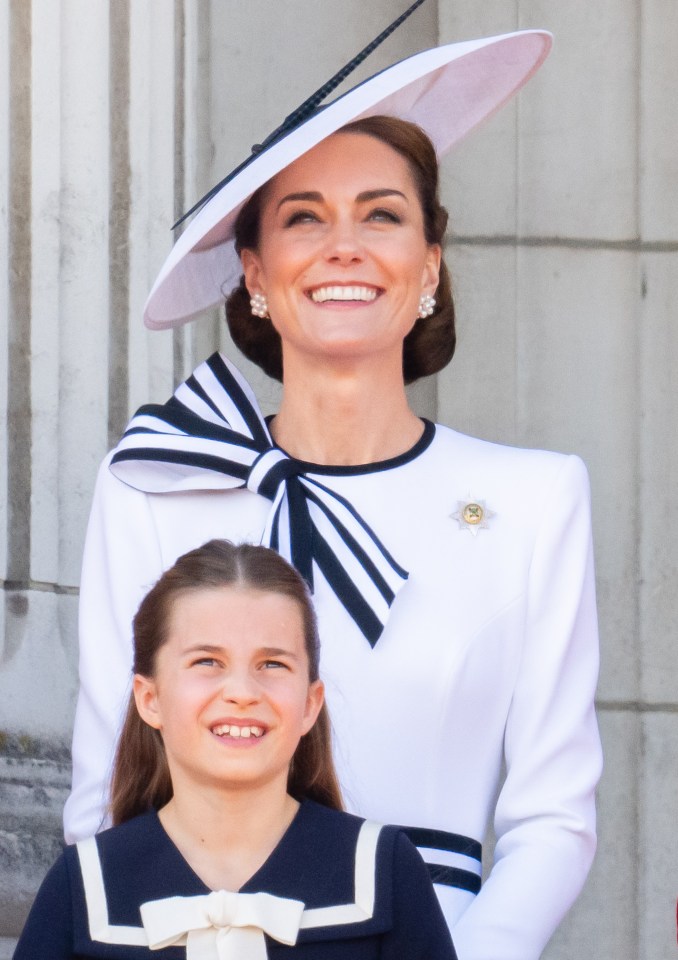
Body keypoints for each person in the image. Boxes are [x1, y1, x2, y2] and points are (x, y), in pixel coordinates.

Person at [64, 25, 602, 960]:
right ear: (256, 273)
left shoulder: (534, 500)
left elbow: (554, 819)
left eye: (382, 214)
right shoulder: (155, 485)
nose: (344, 246)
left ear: (429, 261)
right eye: (305, 217)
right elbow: (101, 794)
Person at [16, 540, 456, 959]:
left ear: (309, 704)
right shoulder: (85, 886)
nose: (243, 692)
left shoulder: (383, 873)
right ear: (150, 699)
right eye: (207, 662)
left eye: (273, 664)